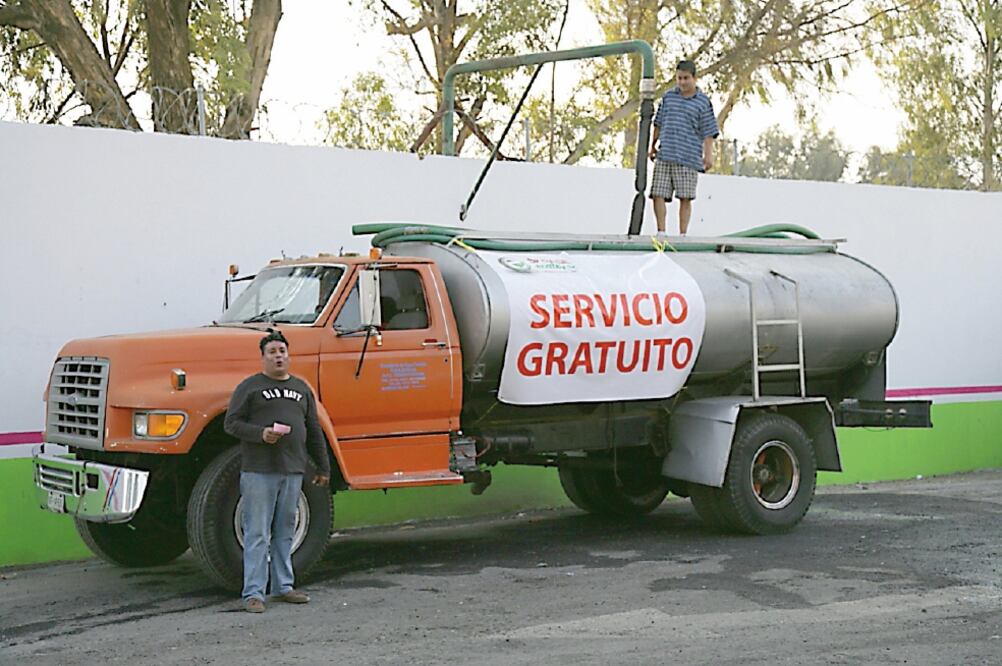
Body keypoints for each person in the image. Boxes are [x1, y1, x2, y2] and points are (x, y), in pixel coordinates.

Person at [224, 331, 331, 613]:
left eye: (282, 350)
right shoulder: (250, 387)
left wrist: (323, 466)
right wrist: (261, 434)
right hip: (259, 470)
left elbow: (314, 430)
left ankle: (284, 586)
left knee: (285, 529)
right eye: (272, 352)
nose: (278, 356)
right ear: (263, 358)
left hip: (293, 470)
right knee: (257, 532)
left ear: (289, 355)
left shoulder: (302, 388)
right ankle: (254, 593)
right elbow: (231, 424)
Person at [648, 60, 720, 236]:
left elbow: (708, 132)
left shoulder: (703, 103)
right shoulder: (668, 97)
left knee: (685, 197)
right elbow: (658, 123)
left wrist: (708, 156)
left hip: (689, 157)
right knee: (658, 193)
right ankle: (661, 231)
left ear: (694, 78)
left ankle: (682, 234)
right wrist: (652, 145)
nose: (682, 82)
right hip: (666, 153)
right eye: (679, 78)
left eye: (686, 78)